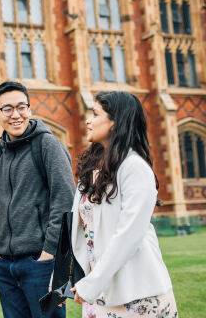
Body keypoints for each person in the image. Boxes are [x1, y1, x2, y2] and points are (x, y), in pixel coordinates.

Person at [70, 91, 178, 317]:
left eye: (95, 114)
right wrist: (70, 277)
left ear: (115, 122)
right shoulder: (91, 170)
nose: (88, 120)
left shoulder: (135, 168)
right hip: (99, 294)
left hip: (137, 293)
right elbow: (82, 232)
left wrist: (91, 284)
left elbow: (128, 235)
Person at [0, 81, 75, 318]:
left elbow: (65, 201)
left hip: (42, 263)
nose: (16, 114)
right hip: (5, 265)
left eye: (21, 107)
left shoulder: (47, 144)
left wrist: (49, 253)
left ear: (29, 109)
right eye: (7, 109)